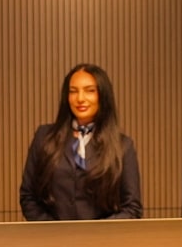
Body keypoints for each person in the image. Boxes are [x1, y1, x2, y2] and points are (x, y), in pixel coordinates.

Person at [20, 64, 143, 220]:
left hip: (104, 241)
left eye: (90, 91)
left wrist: (96, 235)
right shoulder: (44, 137)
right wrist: (53, 232)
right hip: (52, 239)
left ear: (103, 95)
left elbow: (132, 207)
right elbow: (28, 196)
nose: (80, 98)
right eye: (73, 91)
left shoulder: (123, 146)